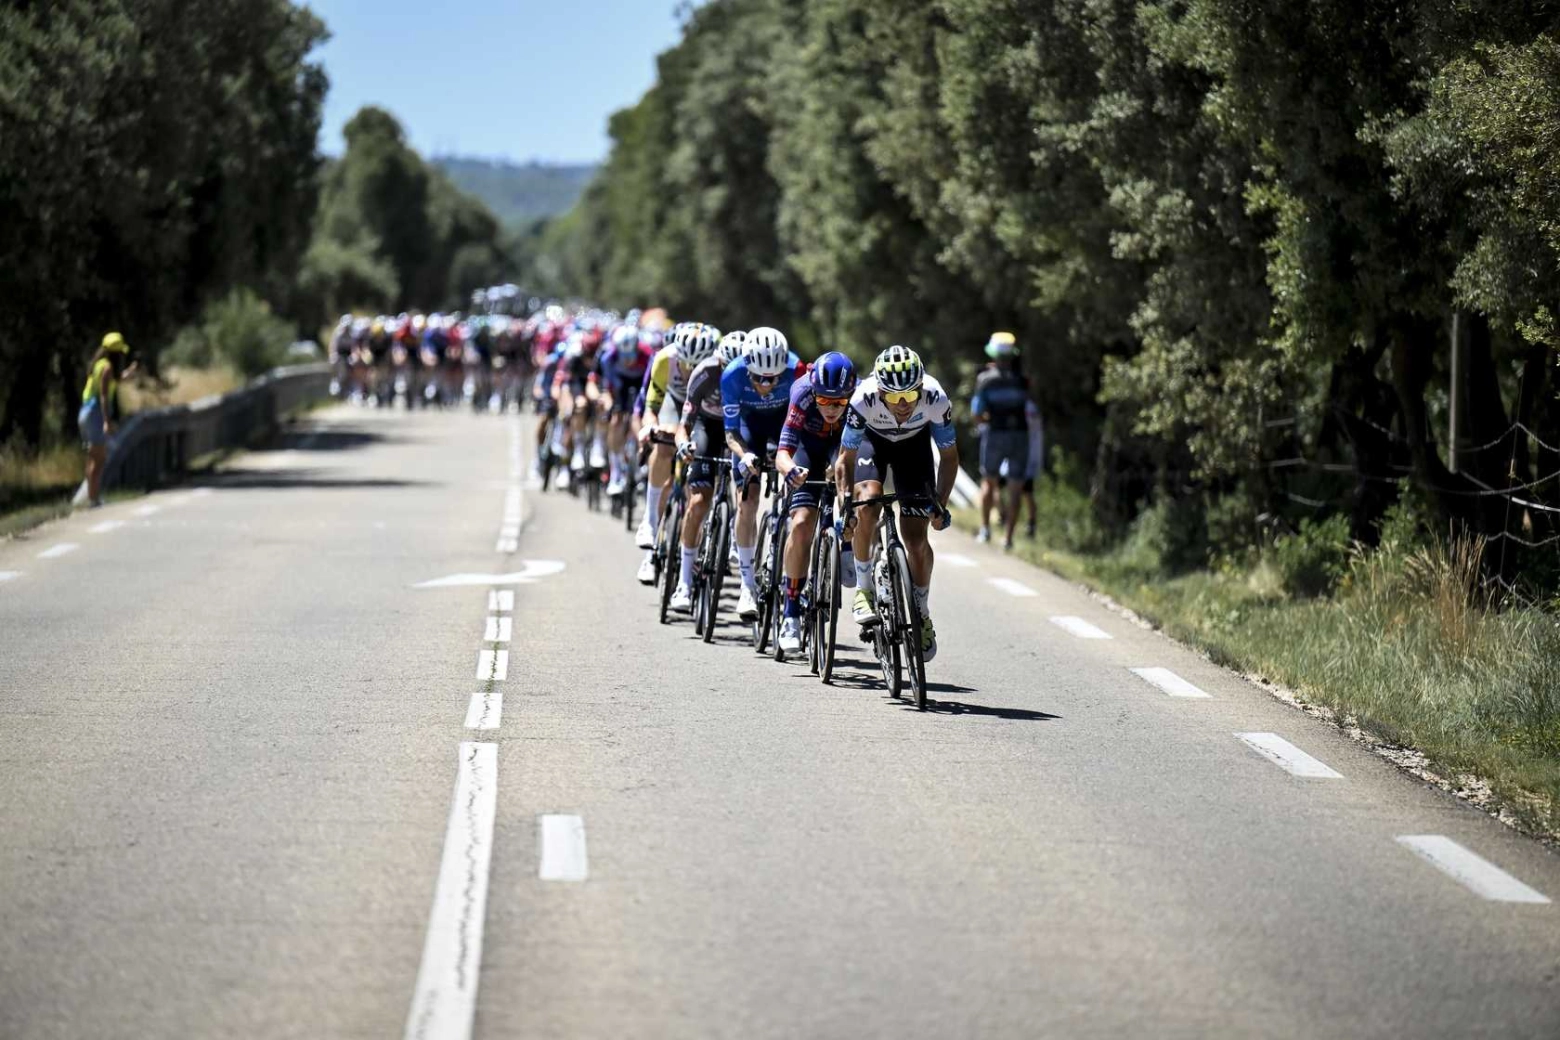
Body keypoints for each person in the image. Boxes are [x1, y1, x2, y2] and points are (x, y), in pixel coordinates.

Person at [838, 345, 958, 661]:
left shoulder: (936, 398)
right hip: (872, 443)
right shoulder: (862, 398)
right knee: (867, 502)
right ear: (880, 392)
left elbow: (948, 457)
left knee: (916, 539)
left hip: (914, 448)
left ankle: (920, 610)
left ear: (921, 388)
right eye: (893, 398)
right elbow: (845, 460)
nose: (902, 405)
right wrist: (846, 505)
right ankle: (864, 589)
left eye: (909, 396)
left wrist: (940, 504)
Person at [773, 351, 856, 654]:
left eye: (839, 402)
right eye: (825, 401)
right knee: (802, 522)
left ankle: (846, 547)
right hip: (807, 448)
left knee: (858, 489)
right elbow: (784, 451)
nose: (832, 408)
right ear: (815, 393)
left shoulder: (858, 399)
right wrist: (791, 470)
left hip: (839, 447)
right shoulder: (803, 393)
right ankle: (791, 612)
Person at [722, 328, 800, 621]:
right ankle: (746, 584)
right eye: (758, 378)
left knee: (799, 496)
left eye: (773, 378)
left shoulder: (796, 370)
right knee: (748, 501)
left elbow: (804, 422)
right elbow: (730, 433)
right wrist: (746, 455)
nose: (766, 384)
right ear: (747, 368)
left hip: (784, 426)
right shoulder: (732, 375)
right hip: (748, 429)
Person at [668, 330, 748, 613]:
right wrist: (684, 445)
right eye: (728, 367)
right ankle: (684, 582)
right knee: (699, 501)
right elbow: (685, 423)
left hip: (738, 429)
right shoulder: (704, 372)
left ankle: (737, 537)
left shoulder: (756, 376)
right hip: (706, 426)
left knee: (746, 491)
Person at [971, 331, 1032, 551]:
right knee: (1016, 487)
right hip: (1020, 435)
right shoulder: (1023, 380)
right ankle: (1008, 538)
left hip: (995, 433)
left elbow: (977, 413)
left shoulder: (985, 379)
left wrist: (987, 419)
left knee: (989, 481)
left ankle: (985, 529)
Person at [79, 332, 137, 508]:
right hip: (96, 413)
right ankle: (93, 498)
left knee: (92, 457)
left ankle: (92, 497)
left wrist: (130, 372)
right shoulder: (107, 368)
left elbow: (116, 380)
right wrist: (106, 420)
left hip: (85, 413)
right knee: (100, 458)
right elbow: (104, 396)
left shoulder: (99, 365)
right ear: (116, 353)